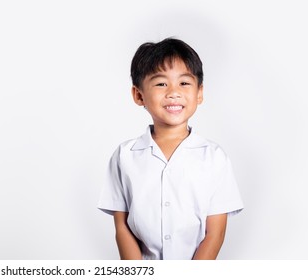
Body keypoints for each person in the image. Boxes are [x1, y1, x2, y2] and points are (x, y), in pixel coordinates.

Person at [97, 38, 244, 260]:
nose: (174, 92)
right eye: (161, 84)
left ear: (199, 93)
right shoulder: (125, 156)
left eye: (184, 83)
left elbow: (216, 232)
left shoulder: (214, 157)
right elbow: (122, 228)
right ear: (139, 95)